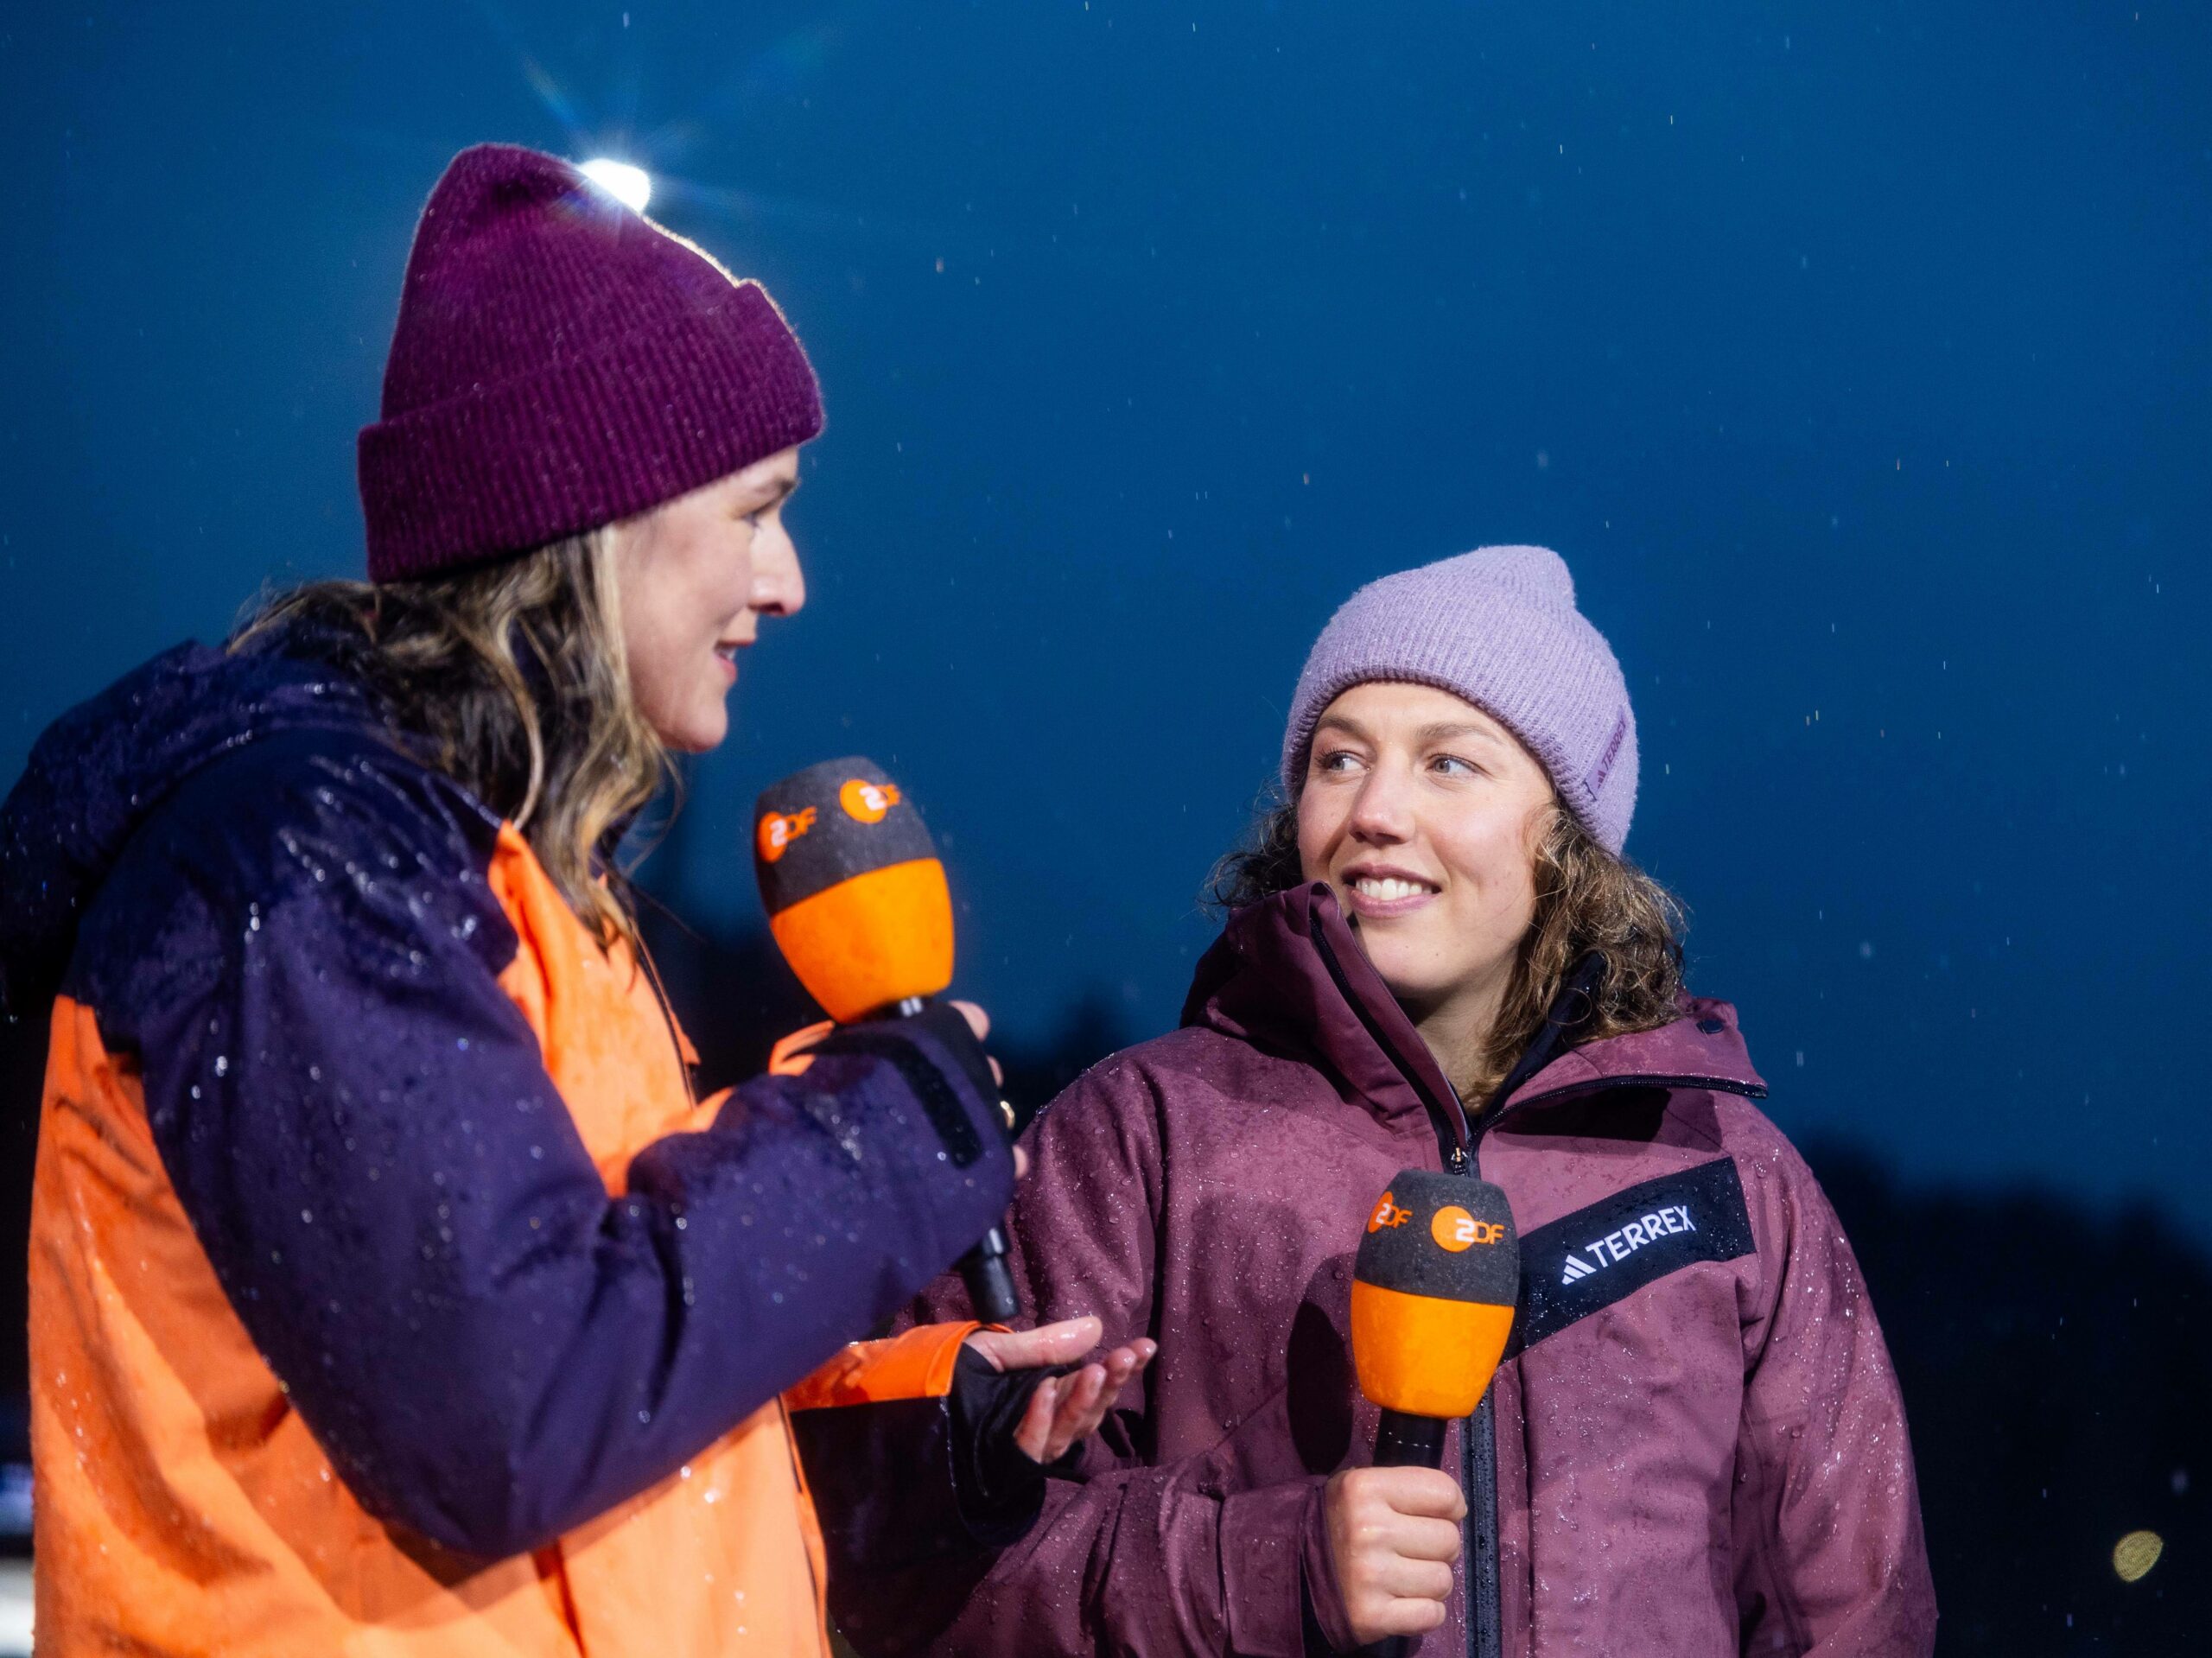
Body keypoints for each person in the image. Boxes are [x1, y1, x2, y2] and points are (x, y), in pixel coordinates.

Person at [0, 143, 1147, 1656]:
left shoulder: (522, 885)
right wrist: (866, 1140)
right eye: (756, 507)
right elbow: (503, 1408)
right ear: (601, 512)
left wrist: (946, 1431)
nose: (789, 578)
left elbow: (626, 1458)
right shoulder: (304, 855)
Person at [904, 546, 1937, 1655]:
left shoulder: (1726, 1174)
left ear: (1567, 842)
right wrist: (1267, 1569)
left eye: (1450, 764)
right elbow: (926, 1572)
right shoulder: (1143, 1135)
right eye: (1339, 760)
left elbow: (1856, 1615)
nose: (1376, 810)